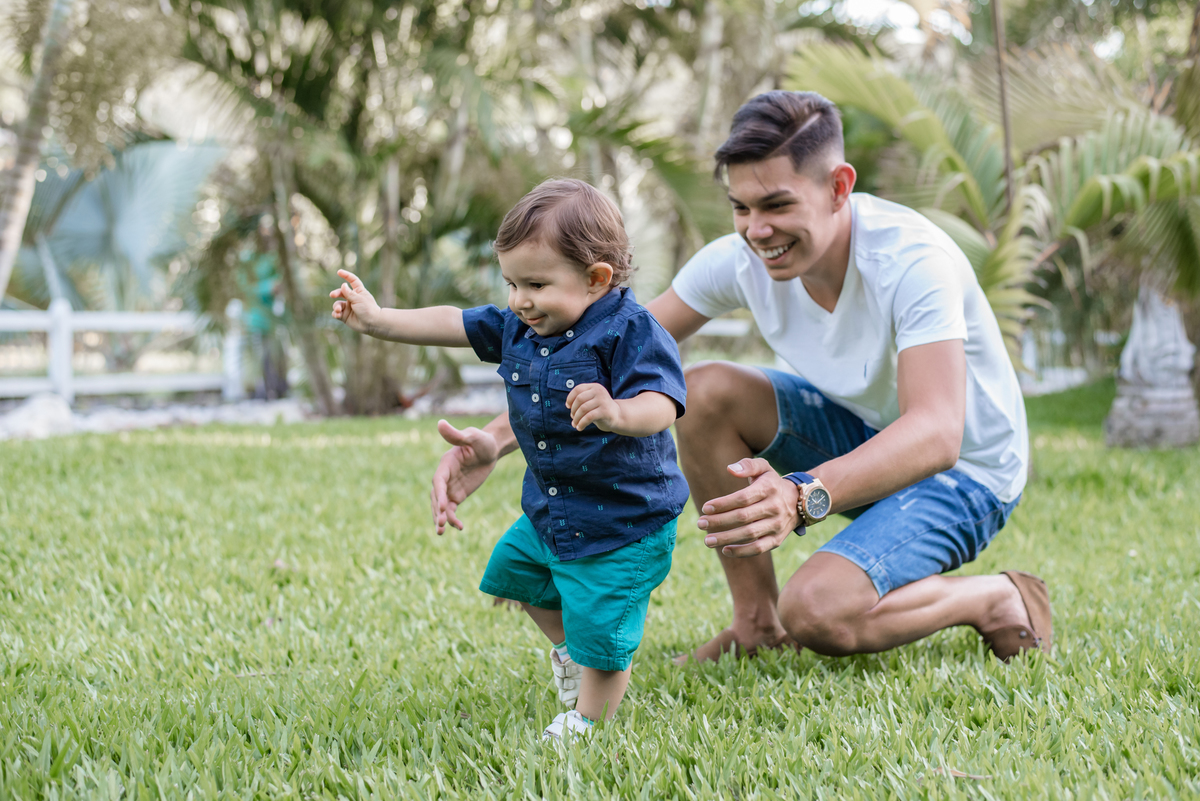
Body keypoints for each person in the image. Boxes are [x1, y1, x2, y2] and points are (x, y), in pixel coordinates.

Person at [430, 91, 1052, 667]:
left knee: (818, 612)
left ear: (839, 187)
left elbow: (938, 431)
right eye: (741, 207)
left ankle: (994, 599)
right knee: (699, 393)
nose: (757, 230)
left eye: (778, 205)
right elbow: (601, 355)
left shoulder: (913, 262)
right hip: (860, 434)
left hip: (964, 473)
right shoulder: (740, 260)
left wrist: (799, 492)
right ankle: (755, 623)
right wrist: (494, 440)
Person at [332, 178, 689, 739]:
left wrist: (618, 412)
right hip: (553, 510)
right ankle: (574, 655)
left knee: (604, 636)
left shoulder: (630, 330)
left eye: (537, 284)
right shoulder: (521, 326)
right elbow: (453, 321)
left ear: (596, 279)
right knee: (515, 575)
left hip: (624, 520)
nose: (520, 300)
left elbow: (662, 403)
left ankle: (587, 724)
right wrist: (379, 321)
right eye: (512, 283)